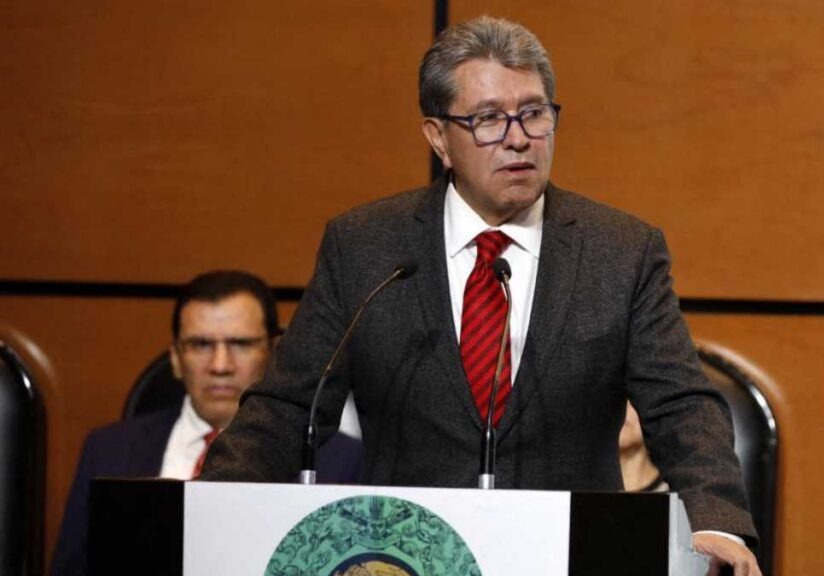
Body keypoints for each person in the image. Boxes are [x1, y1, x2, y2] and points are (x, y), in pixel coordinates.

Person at [202, 17, 760, 573]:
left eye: (534, 113)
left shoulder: (619, 251)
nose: (518, 138)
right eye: (489, 119)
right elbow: (289, 408)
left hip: (567, 558)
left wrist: (715, 518)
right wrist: (205, 509)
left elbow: (681, 404)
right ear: (438, 137)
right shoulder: (366, 247)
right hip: (404, 557)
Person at [51, 270, 362, 576]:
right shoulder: (108, 450)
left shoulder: (342, 460)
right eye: (201, 345)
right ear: (176, 358)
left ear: (274, 353)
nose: (220, 365)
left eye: (240, 344)